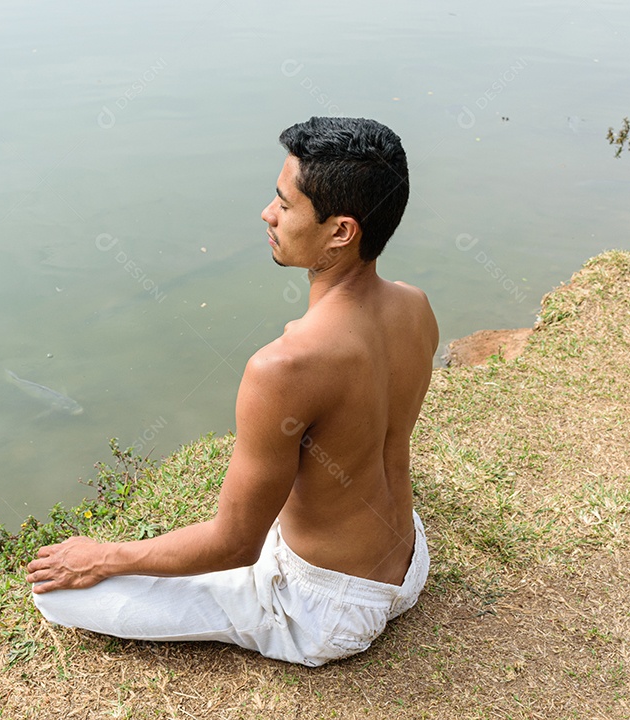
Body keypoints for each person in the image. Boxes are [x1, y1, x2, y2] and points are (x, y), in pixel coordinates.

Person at [26, 116, 439, 667]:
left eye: (285, 205)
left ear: (341, 232)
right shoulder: (415, 307)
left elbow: (235, 544)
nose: (268, 214)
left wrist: (103, 557)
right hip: (407, 564)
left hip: (325, 609)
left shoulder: (285, 367)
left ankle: (258, 610)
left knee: (58, 596)